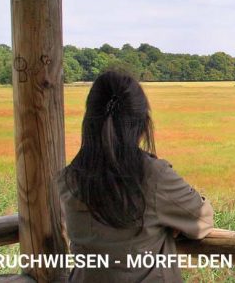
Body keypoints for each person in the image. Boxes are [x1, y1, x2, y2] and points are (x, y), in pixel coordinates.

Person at [58, 70, 214, 282]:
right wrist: (170, 223)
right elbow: (202, 220)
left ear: (89, 122)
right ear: (141, 124)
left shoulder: (68, 179)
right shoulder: (154, 176)